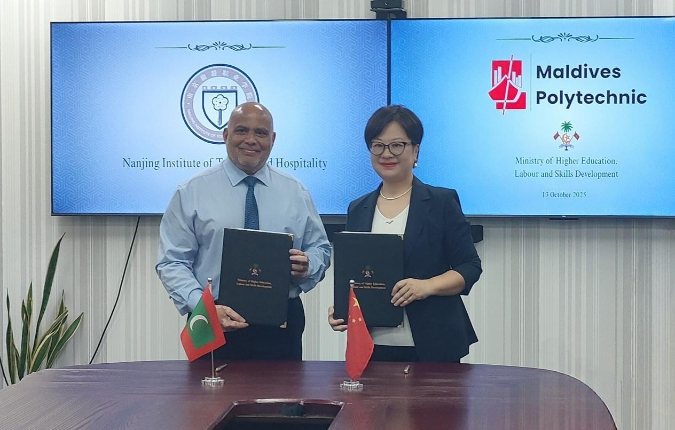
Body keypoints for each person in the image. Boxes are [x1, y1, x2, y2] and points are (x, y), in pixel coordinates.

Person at [157, 102, 331, 360]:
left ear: (272, 139)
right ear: (226, 135)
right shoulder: (191, 192)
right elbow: (172, 262)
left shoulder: (296, 192)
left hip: (281, 326)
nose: (251, 140)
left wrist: (308, 265)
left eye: (260, 132)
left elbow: (321, 249)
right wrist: (203, 307)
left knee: (284, 389)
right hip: (212, 320)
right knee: (208, 389)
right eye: (241, 131)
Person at [328, 105, 482, 363]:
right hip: (373, 347)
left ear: (415, 150)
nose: (387, 154)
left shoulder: (441, 202)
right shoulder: (358, 208)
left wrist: (426, 286)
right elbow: (358, 275)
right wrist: (343, 309)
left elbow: (469, 267)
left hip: (434, 344)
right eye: (378, 146)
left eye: (397, 145)